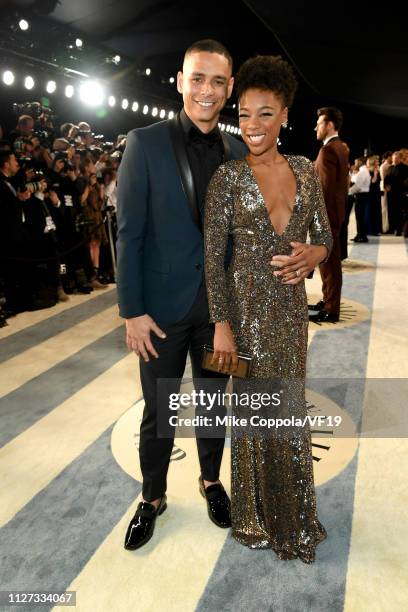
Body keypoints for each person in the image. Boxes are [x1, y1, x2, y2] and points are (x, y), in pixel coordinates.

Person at [116, 39, 247, 551]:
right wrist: (132, 311)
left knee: (215, 403)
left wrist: (230, 315)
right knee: (159, 409)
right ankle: (152, 497)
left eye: (218, 81)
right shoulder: (144, 142)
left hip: (217, 314)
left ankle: (211, 482)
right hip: (161, 311)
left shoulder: (238, 150)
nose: (207, 91)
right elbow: (129, 234)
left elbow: (239, 240)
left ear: (229, 88)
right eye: (198, 79)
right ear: (180, 80)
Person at [204, 55, 332, 563]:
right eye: (245, 113)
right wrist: (222, 326)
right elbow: (213, 261)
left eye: (264, 113)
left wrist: (313, 255)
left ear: (284, 116)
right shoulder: (227, 179)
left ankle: (294, 514)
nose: (251, 125)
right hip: (244, 315)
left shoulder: (303, 168)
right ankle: (256, 515)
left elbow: (323, 237)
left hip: (289, 314)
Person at [309, 107, 349, 323]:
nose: (316, 126)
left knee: (328, 262)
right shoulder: (341, 147)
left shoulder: (328, 151)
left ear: (330, 125)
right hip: (336, 213)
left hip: (326, 215)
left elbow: (323, 190)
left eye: (320, 122)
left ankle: (331, 309)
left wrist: (317, 219)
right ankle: (329, 300)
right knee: (331, 262)